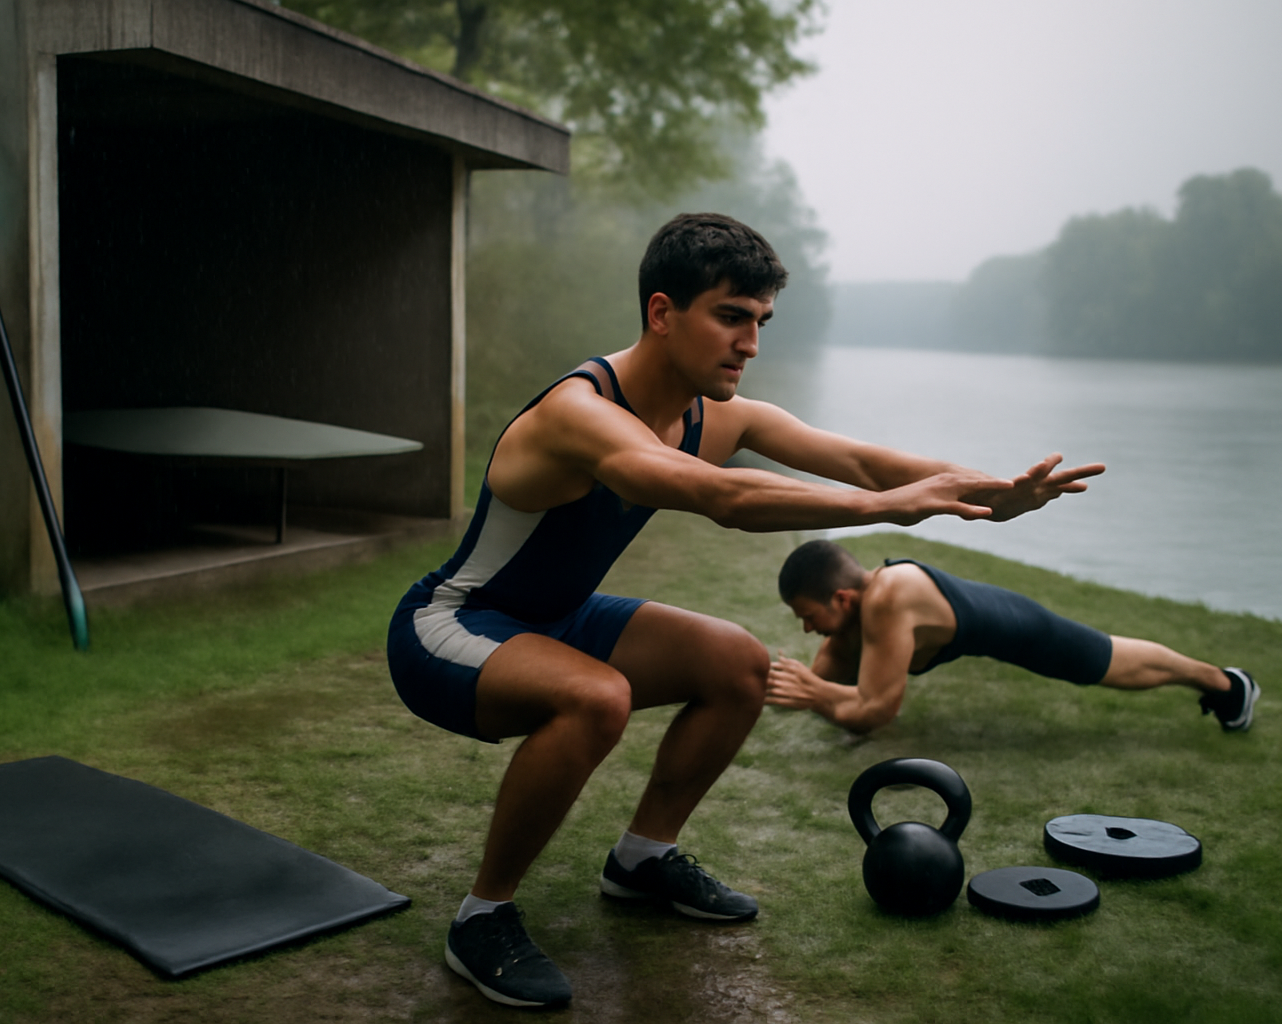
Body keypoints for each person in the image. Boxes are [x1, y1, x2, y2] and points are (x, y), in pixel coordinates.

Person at [386, 212, 1104, 1008]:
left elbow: (863, 459)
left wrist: (991, 492)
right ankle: (482, 917)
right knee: (598, 697)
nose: (751, 343)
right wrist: (887, 509)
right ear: (663, 312)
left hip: (559, 618)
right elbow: (720, 496)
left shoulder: (713, 415)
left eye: (761, 321)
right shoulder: (579, 413)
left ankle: (642, 859)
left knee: (739, 663)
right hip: (450, 625)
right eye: (732, 316)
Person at [766, 539, 1260, 735]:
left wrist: (815, 695)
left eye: (809, 616)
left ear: (843, 598)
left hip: (1020, 628)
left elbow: (874, 712)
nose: (807, 628)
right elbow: (820, 680)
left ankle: (1226, 684)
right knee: (831, 670)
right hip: (975, 621)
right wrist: (797, 689)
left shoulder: (886, 600)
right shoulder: (854, 619)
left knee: (1105, 660)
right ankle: (1222, 682)